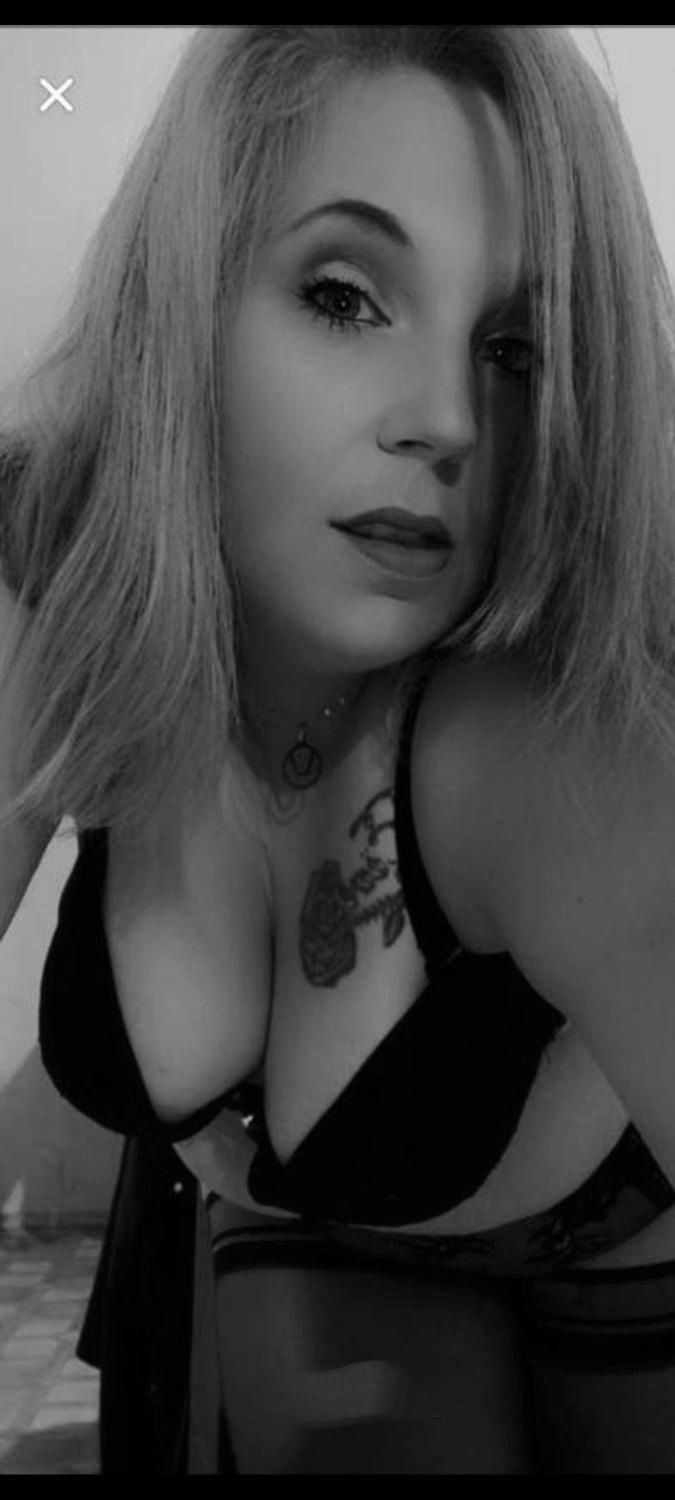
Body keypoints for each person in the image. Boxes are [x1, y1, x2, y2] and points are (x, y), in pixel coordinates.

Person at [2, 23, 675, 1474]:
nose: (446, 423)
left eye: (515, 349)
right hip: (303, 1235)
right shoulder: (57, 585)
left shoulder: (544, 754)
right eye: (344, 295)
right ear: (182, 303)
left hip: (616, 1245)